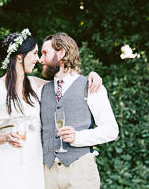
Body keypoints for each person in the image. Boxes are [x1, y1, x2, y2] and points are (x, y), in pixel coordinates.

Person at [0, 29, 102, 189]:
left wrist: (92, 75)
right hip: (7, 160)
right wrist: (6, 137)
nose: (38, 59)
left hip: (35, 162)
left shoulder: (37, 85)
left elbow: (69, 82)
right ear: (20, 57)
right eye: (35, 53)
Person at [39, 32, 119, 189]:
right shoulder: (40, 90)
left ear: (61, 53)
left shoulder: (91, 87)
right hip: (47, 175)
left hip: (81, 173)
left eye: (45, 53)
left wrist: (78, 137)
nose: (40, 60)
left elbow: (111, 130)